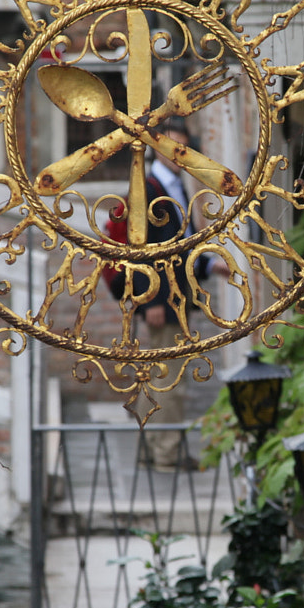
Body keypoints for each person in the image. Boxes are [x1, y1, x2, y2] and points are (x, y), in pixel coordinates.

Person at [105, 119, 229, 469]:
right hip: (164, 300)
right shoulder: (149, 187)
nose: (179, 154)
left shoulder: (175, 184)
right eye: (173, 146)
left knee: (156, 376)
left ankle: (153, 449)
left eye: (183, 148)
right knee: (168, 379)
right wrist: (152, 301)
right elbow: (140, 248)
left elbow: (178, 248)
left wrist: (206, 267)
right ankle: (167, 455)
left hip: (174, 295)